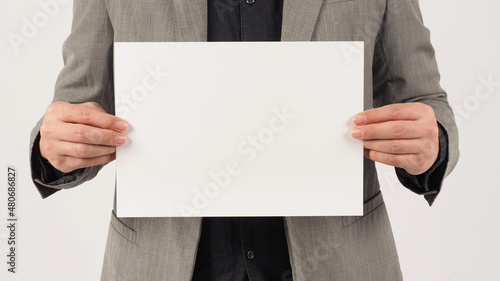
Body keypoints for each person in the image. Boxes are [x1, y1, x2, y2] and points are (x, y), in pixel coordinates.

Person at [29, 0, 459, 280]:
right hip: (158, 264)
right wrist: (54, 147)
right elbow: (75, 106)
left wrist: (432, 142)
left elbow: (424, 99)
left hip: (339, 261)